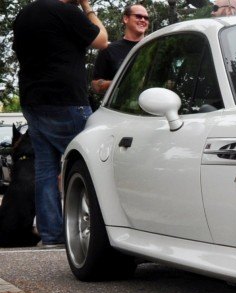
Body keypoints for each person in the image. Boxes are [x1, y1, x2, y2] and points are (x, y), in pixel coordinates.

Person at [12, 0, 108, 247]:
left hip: (33, 100)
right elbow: (102, 41)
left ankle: (52, 236)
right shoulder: (66, 11)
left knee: (45, 170)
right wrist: (87, 7)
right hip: (66, 100)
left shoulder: (25, 14)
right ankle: (99, 232)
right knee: (89, 165)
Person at [91, 3, 149, 95]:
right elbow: (95, 86)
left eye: (146, 18)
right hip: (119, 107)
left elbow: (170, 82)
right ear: (126, 19)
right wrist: (122, 82)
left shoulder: (154, 46)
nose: (143, 20)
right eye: (138, 16)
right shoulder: (108, 49)